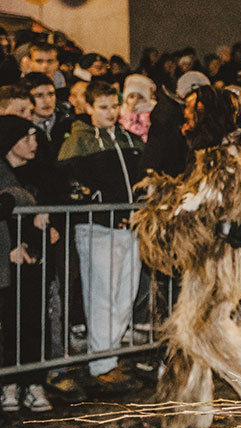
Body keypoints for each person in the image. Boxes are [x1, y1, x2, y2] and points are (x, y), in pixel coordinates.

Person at [131, 86, 241, 428]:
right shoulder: (222, 153)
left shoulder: (229, 157)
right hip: (214, 255)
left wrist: (176, 211)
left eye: (194, 109)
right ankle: (184, 414)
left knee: (199, 329)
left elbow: (219, 204)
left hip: (224, 259)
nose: (188, 115)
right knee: (190, 330)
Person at [56, 80, 145, 391]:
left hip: (130, 227)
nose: (111, 112)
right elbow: (71, 186)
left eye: (114, 106)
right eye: (103, 107)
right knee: (102, 297)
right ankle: (102, 365)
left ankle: (109, 354)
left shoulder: (129, 139)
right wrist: (99, 203)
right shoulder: (78, 141)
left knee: (126, 295)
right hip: (97, 229)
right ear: (89, 107)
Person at [0, 116, 55, 413]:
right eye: (27, 137)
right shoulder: (4, 174)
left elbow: (48, 211)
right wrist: (13, 243)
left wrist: (44, 233)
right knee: (9, 319)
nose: (34, 143)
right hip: (8, 259)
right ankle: (9, 381)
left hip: (35, 256)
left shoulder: (39, 172)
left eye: (35, 136)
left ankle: (34, 381)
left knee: (35, 318)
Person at [118, 74, 156, 142]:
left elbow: (142, 130)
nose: (135, 101)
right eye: (132, 96)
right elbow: (125, 128)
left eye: (140, 97)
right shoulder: (123, 112)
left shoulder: (149, 112)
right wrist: (129, 113)